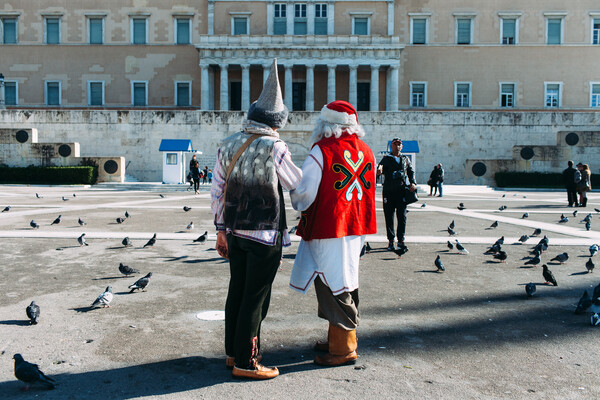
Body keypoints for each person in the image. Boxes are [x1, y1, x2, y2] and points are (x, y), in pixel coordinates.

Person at [211, 59, 302, 380]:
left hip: (234, 233)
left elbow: (217, 192)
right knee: (255, 297)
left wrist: (220, 232)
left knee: (237, 291)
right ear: (277, 122)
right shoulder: (275, 146)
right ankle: (247, 362)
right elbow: (296, 185)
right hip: (265, 236)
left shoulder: (228, 144)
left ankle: (232, 352)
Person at [289, 100, 377, 366]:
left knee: (331, 282)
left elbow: (304, 192)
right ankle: (338, 337)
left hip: (330, 226)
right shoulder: (368, 151)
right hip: (356, 228)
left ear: (325, 125)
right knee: (346, 279)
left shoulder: (322, 151)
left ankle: (343, 348)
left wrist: (293, 195)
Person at [377, 137, 417, 253]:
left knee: (402, 217)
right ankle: (390, 240)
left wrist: (413, 183)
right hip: (389, 192)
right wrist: (378, 171)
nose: (397, 146)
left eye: (399, 144)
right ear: (391, 146)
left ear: (402, 146)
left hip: (401, 192)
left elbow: (411, 171)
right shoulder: (386, 159)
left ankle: (401, 240)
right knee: (389, 217)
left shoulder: (405, 159)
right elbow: (380, 169)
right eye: (395, 144)